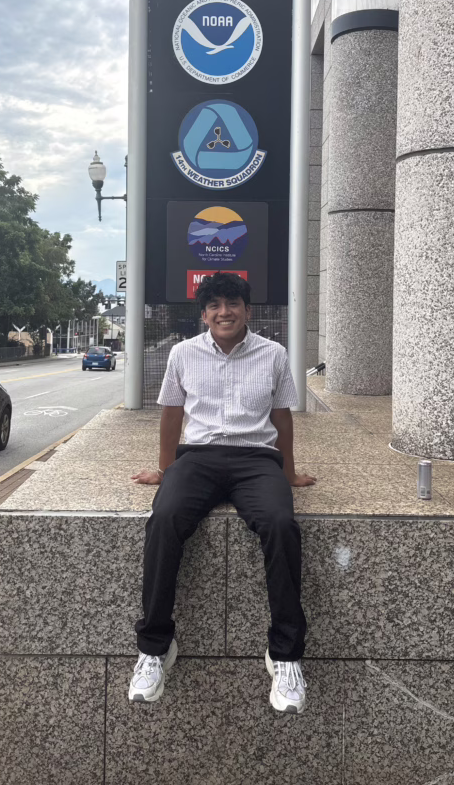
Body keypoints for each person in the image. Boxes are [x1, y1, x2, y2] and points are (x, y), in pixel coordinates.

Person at [129, 272, 316, 712]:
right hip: (197, 459)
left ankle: (284, 655)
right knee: (164, 518)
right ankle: (155, 648)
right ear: (204, 314)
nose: (224, 312)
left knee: (280, 524)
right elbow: (172, 416)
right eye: (214, 305)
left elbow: (282, 418)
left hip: (256, 460)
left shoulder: (273, 354)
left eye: (232, 303)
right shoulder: (182, 354)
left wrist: (287, 474)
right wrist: (164, 470)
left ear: (248, 310)